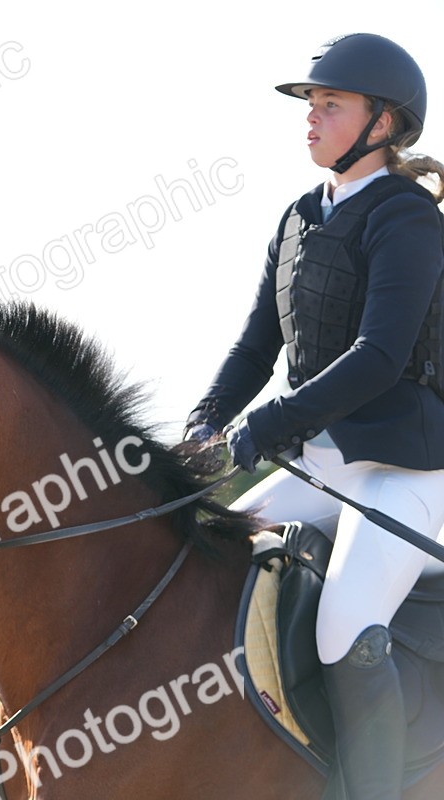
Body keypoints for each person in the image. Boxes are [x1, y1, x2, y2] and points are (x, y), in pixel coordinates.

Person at [184, 34, 444, 799]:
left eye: (330, 104)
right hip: (323, 464)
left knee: (345, 622)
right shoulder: (299, 216)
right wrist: (205, 424)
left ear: (384, 124)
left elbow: (379, 357)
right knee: (202, 557)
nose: (311, 118)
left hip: (408, 471)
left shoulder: (407, 220)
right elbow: (256, 345)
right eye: (310, 104)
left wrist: (265, 428)